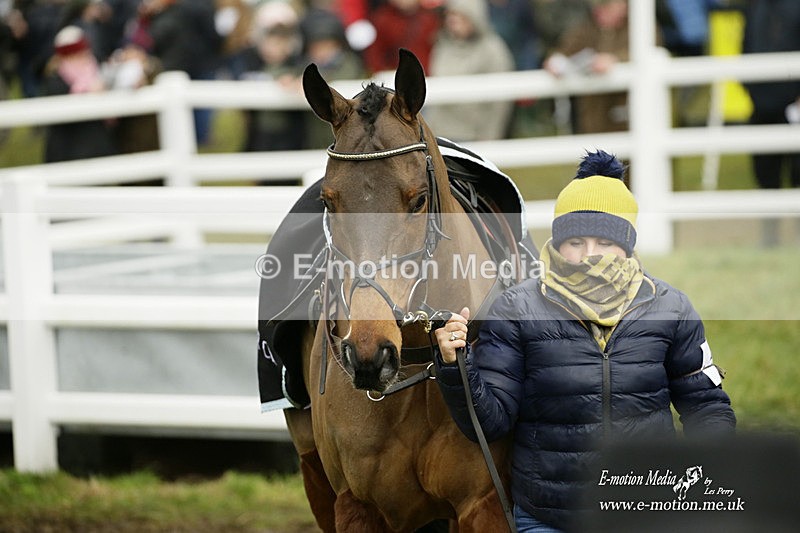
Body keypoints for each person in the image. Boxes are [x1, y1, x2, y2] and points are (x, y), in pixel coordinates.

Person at [433, 150, 737, 532]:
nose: (590, 255)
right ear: (558, 243)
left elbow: (706, 406)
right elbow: (490, 422)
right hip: (548, 517)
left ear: (626, 245)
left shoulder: (671, 307)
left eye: (604, 242)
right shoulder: (515, 308)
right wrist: (455, 364)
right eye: (576, 241)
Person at [741, 0, 800, 246]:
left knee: (797, 174)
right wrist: (751, 89)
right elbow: (746, 46)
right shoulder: (755, 6)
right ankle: (769, 239)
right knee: (766, 175)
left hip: (793, 101)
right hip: (762, 104)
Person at [424, 0, 514, 142]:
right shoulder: (443, 45)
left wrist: (490, 136)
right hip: (439, 132)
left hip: (473, 135)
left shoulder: (492, 49)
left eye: (460, 15)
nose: (453, 20)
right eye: (451, 15)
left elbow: (500, 101)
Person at [543, 0, 630, 134]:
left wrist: (615, 59)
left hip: (625, 111)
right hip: (592, 114)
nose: (600, 13)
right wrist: (554, 61)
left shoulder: (639, 27)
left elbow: (652, 51)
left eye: (607, 7)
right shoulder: (587, 28)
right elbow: (564, 49)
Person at [42, 24, 118, 162]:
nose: (85, 55)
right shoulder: (56, 80)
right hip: (69, 151)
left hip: (98, 146)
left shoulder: (97, 70)